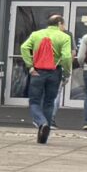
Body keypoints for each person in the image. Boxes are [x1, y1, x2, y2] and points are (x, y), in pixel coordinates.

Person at [21, 11, 72, 144]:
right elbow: (67, 57)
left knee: (34, 102)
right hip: (54, 72)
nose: (64, 27)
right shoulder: (65, 37)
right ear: (59, 24)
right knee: (49, 102)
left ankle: (41, 123)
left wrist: (30, 66)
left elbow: (24, 47)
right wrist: (67, 72)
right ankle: (45, 134)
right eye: (64, 24)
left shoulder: (36, 34)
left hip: (37, 72)